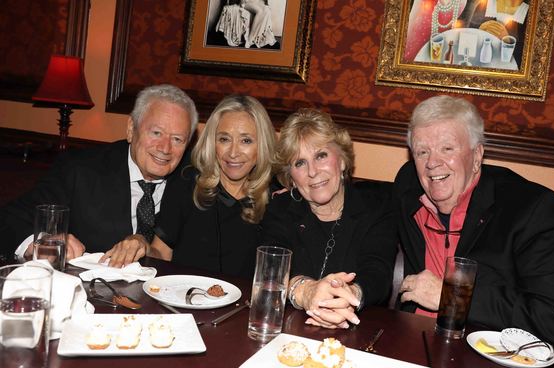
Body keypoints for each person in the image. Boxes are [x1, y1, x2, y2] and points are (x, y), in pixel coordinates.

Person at [394, 95, 554, 346]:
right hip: (418, 348)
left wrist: (452, 297)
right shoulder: (408, 187)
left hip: (507, 363)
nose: (432, 163)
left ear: (477, 156)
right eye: (421, 151)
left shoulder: (531, 209)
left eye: (447, 148)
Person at [0, 84, 198, 262]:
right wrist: (42, 244)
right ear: (131, 129)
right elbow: (11, 219)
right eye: (156, 133)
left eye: (177, 139)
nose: (165, 148)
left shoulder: (194, 181)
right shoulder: (80, 170)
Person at [104, 95, 276, 277]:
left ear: (262, 145)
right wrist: (141, 245)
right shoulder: (187, 182)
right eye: (224, 139)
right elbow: (161, 253)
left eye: (246, 141)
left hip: (245, 304)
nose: (233, 153)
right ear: (212, 142)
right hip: (182, 300)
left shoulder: (276, 199)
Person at [261, 108, 398, 329]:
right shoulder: (281, 209)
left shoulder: (376, 208)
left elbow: (378, 272)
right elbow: (272, 265)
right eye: (299, 163)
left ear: (342, 161)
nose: (312, 171)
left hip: (357, 332)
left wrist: (350, 296)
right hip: (291, 331)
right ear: (291, 178)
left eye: (321, 155)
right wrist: (305, 292)